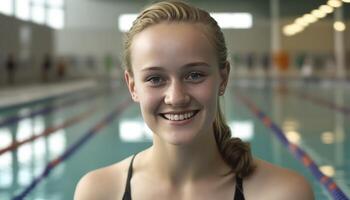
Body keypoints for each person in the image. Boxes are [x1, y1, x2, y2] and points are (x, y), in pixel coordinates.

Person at [74, 1, 314, 199]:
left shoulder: (283, 193)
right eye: (156, 79)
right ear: (133, 86)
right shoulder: (99, 192)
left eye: (194, 75)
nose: (176, 97)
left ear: (223, 78)